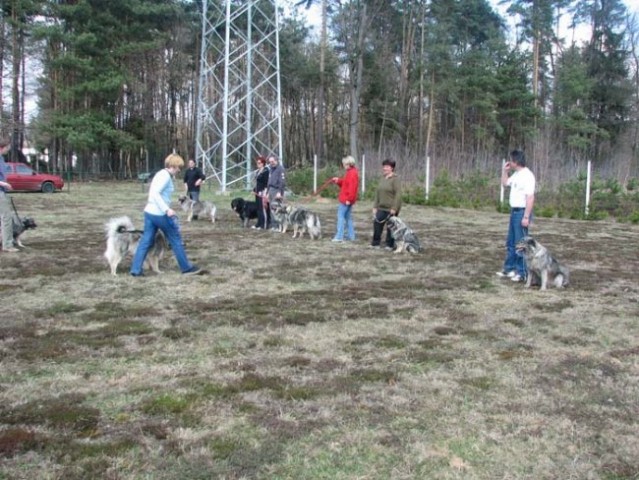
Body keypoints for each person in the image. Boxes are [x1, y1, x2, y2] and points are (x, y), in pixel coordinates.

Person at [131, 153, 201, 276]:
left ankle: (136, 270)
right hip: (159, 214)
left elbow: (154, 193)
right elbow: (155, 194)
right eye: (178, 167)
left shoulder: (160, 174)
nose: (179, 170)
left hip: (149, 213)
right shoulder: (165, 177)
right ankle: (186, 268)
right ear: (173, 166)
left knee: (145, 241)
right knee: (175, 239)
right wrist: (166, 209)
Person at [496, 149, 535, 283]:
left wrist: (526, 217)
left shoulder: (528, 176)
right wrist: (505, 171)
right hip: (514, 211)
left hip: (522, 212)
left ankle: (522, 272)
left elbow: (530, 197)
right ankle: (509, 268)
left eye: (511, 160)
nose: (509, 162)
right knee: (511, 242)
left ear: (516, 161)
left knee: (521, 244)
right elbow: (505, 183)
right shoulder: (516, 175)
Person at [371, 158, 402, 250]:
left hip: (390, 208)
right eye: (384, 166)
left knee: (390, 228)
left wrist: (394, 208)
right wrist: (375, 206)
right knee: (377, 225)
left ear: (392, 168)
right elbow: (377, 193)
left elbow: (398, 194)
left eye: (387, 166)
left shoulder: (395, 179)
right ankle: (375, 243)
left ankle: (389, 244)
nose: (385, 168)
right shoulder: (382, 178)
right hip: (381, 207)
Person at [330, 155, 359, 242]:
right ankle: (351, 236)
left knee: (341, 217)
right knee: (347, 218)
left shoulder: (352, 174)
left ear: (348, 164)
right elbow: (345, 184)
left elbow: (352, 188)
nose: (343, 165)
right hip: (347, 199)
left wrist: (349, 200)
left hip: (346, 200)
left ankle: (339, 236)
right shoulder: (350, 172)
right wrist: (338, 180)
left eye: (344, 164)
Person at [0, 139, 18, 253]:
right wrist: (4, 184)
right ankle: (7, 245)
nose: (8, 149)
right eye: (7, 147)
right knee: (6, 218)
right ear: (2, 147)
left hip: (3, 191)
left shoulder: (1, 159)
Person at [266, 155, 285, 230]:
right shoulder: (270, 169)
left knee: (277, 208)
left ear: (276, 160)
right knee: (271, 208)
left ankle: (278, 226)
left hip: (277, 190)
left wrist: (279, 192)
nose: (271, 163)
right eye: (270, 162)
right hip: (271, 189)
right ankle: (273, 225)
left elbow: (282, 182)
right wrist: (267, 192)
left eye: (272, 161)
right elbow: (269, 181)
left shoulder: (281, 169)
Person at [253, 156, 270, 229]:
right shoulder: (257, 171)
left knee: (263, 208)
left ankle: (263, 224)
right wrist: (254, 190)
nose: (258, 164)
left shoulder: (266, 171)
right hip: (257, 192)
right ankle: (259, 223)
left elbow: (266, 183)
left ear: (263, 163)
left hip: (263, 192)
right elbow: (257, 183)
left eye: (259, 163)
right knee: (258, 208)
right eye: (257, 163)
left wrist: (265, 193)